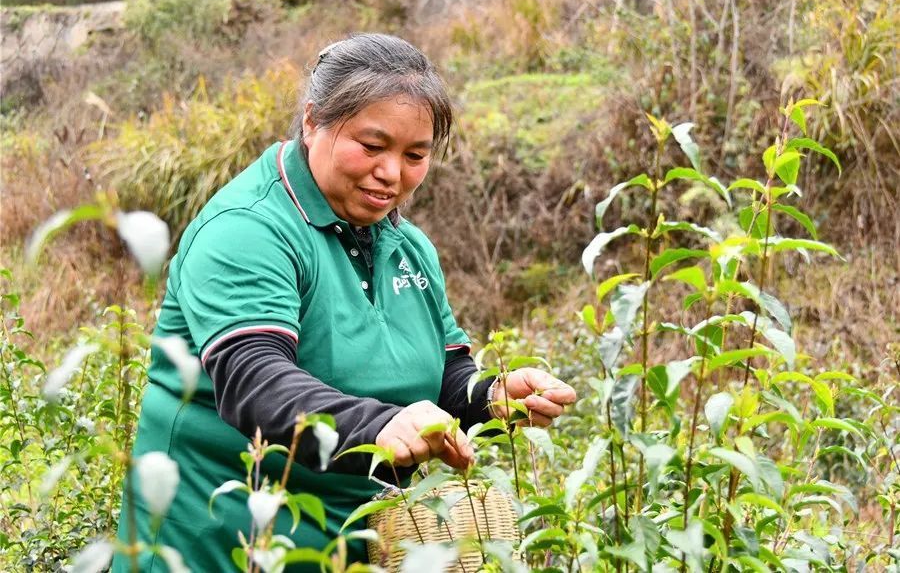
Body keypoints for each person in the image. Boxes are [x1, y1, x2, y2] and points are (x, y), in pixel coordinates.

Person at [113, 33, 576, 571]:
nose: (392, 173)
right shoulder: (246, 229)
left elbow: (445, 374)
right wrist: (378, 427)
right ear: (313, 122)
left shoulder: (406, 245)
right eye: (372, 146)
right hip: (217, 546)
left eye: (415, 155)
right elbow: (254, 380)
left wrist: (492, 397)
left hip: (351, 548)